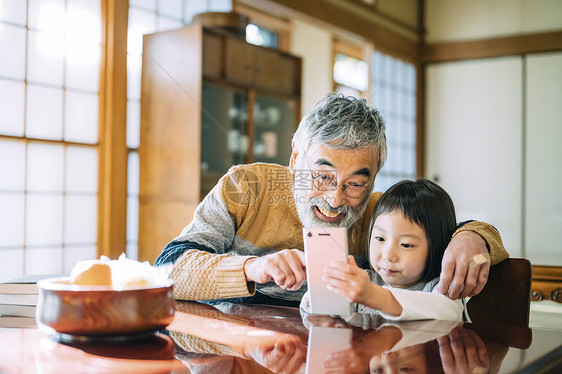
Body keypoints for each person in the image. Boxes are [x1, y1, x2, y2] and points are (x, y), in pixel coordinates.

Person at [155, 93, 509, 307]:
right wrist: (252, 268)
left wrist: (471, 236)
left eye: (355, 183)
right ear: (296, 158)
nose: (335, 200)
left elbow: (455, 230)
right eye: (322, 176)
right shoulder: (245, 186)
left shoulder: (379, 214)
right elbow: (166, 270)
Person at [301, 179, 468, 321]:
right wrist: (325, 284)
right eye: (380, 239)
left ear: (437, 246)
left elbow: (447, 312)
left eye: (406, 245)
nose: (388, 256)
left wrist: (374, 296)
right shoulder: (366, 280)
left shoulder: (443, 286)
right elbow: (317, 311)